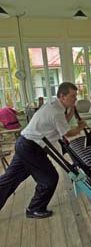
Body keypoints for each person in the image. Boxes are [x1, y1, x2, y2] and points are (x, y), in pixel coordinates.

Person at [0, 82, 86, 218]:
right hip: (31, 148)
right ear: (63, 96)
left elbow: (61, 123)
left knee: (10, 178)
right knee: (49, 178)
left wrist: (70, 113)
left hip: (24, 143)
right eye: (73, 96)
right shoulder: (56, 111)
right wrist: (81, 126)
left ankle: (33, 208)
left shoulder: (53, 105)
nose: (75, 99)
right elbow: (67, 133)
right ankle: (34, 209)